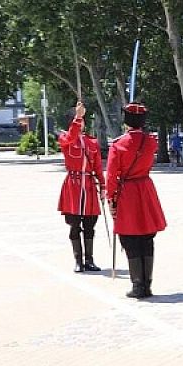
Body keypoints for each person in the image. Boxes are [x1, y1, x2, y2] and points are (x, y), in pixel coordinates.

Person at [105, 102, 167, 299]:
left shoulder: (118, 144)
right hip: (145, 189)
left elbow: (112, 175)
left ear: (126, 121)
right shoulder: (151, 142)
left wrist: (111, 199)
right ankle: (147, 284)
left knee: (130, 238)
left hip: (128, 192)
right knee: (147, 237)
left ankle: (137, 285)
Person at [57, 101, 105, 273]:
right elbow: (71, 137)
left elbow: (98, 166)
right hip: (74, 186)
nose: (82, 123)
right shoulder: (65, 139)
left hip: (89, 185)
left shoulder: (92, 142)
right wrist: (78, 117)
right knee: (74, 225)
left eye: (83, 120)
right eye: (78, 120)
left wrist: (103, 185)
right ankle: (78, 260)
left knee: (90, 225)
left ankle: (89, 260)